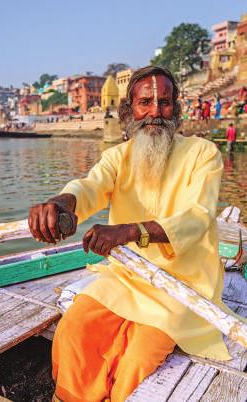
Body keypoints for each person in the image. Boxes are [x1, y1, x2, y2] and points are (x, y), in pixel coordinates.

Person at [29, 66, 232, 402]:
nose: (155, 112)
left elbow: (197, 217)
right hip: (126, 277)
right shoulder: (117, 158)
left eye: (164, 102)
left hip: (180, 285)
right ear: (129, 111)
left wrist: (128, 231)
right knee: (72, 332)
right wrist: (58, 205)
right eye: (145, 102)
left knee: (134, 365)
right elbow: (89, 187)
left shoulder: (202, 154)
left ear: (176, 109)